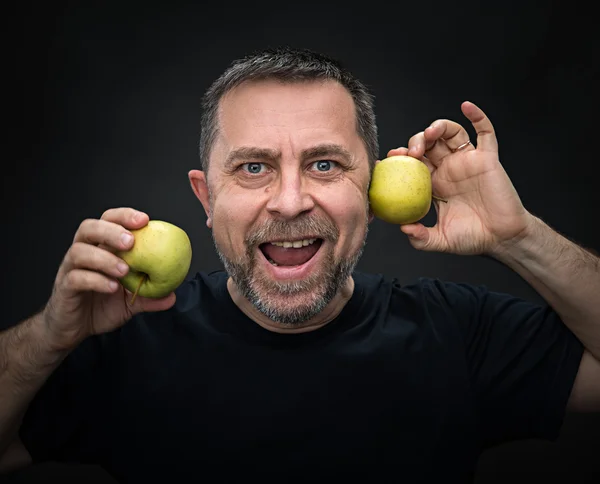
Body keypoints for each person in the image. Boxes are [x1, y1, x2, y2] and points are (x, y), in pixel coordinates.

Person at [0, 47, 598, 484]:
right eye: (254, 167)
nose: (290, 201)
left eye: (325, 165)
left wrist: (519, 236)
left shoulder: (456, 331)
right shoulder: (126, 341)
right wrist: (50, 337)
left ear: (371, 190)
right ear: (207, 200)